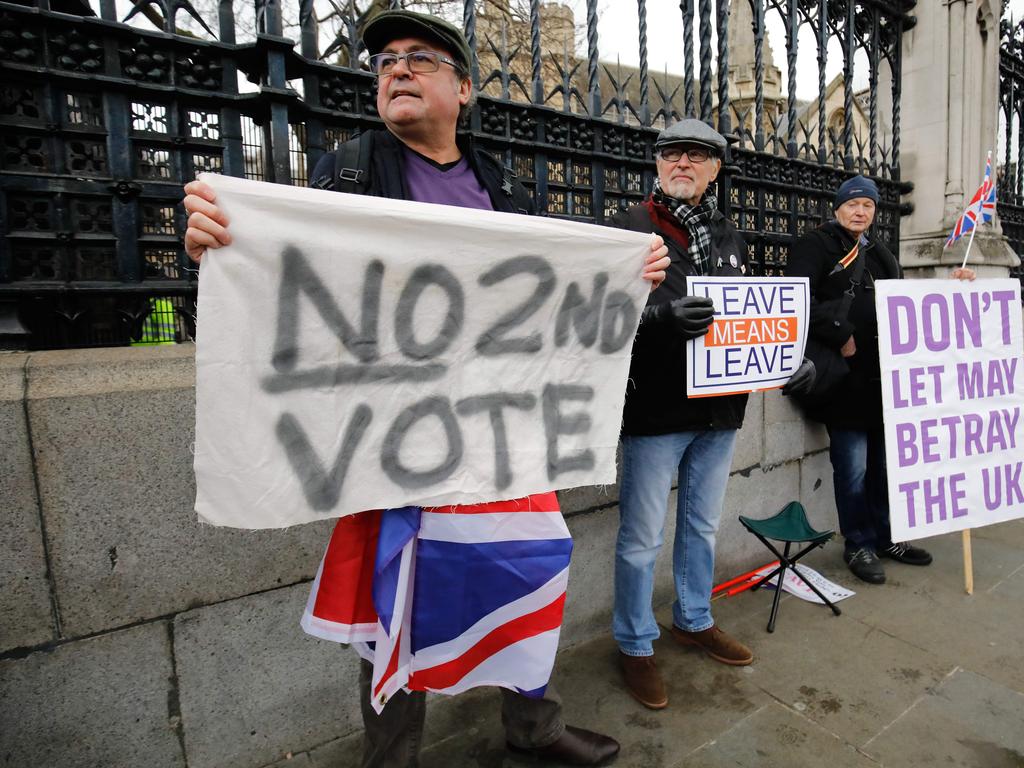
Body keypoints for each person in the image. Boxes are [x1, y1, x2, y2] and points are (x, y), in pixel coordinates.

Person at [183, 10, 669, 767]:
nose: (395, 71)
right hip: (397, 436)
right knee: (396, 597)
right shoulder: (346, 171)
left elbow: (541, 304)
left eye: (418, 59)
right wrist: (222, 239)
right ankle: (393, 760)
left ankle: (534, 728)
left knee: (526, 565)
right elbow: (295, 293)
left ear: (465, 89)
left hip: (495, 428)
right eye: (383, 63)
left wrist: (625, 278)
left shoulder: (497, 183)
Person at [607, 119, 815, 710]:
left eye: (696, 156)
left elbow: (747, 321)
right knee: (641, 537)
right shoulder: (629, 229)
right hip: (654, 409)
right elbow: (597, 316)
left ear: (715, 170)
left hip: (720, 412)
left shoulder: (729, 236)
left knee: (700, 525)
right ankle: (634, 642)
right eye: (672, 153)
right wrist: (657, 323)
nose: (682, 162)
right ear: (657, 163)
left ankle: (694, 618)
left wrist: (785, 362)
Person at [784, 175, 974, 585]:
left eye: (867, 205)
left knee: (886, 469)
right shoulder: (814, 246)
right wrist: (841, 334)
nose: (860, 211)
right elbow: (794, 300)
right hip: (843, 383)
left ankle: (888, 537)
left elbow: (907, 307)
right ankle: (859, 544)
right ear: (837, 208)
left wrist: (951, 291)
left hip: (886, 383)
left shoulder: (882, 253)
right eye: (852, 204)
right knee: (852, 470)